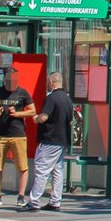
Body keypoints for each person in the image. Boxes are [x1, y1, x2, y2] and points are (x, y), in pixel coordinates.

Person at [19, 71, 73, 212]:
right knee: (57, 171)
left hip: (49, 139)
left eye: (48, 82)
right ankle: (55, 201)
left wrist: (36, 118)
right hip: (63, 139)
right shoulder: (67, 99)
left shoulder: (51, 98)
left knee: (42, 170)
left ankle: (34, 201)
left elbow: (44, 117)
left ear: (51, 82)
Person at [0, 69, 36, 208]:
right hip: (0, 134)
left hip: (18, 134)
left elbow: (32, 111)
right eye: (8, 81)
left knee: (22, 166)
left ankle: (21, 196)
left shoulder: (22, 93)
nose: (10, 84)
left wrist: (17, 113)